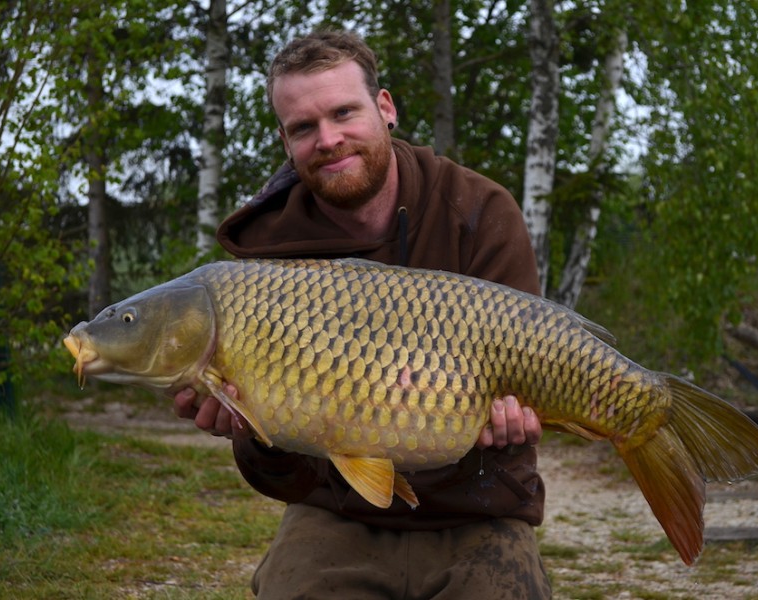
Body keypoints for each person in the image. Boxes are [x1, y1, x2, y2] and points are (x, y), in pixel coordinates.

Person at [174, 30, 552, 599]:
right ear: (286, 141)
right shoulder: (266, 262)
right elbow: (285, 478)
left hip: (479, 507)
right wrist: (254, 433)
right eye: (304, 127)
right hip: (337, 513)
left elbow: (534, 379)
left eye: (343, 112)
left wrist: (514, 426)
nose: (328, 139)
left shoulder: (477, 212)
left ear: (385, 108)